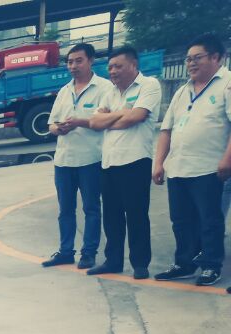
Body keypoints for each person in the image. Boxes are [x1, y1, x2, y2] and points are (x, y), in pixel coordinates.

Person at [152, 34, 231, 286]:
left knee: (210, 220)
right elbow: (166, 130)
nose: (191, 63)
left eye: (197, 58)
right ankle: (184, 263)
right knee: (181, 220)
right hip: (178, 168)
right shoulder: (182, 91)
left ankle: (210, 265)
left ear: (216, 57)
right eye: (188, 59)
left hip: (209, 167)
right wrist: (159, 163)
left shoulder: (227, 84)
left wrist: (227, 160)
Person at [88, 46, 162, 279]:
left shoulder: (149, 85)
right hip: (109, 162)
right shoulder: (110, 92)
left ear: (133, 65)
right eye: (110, 67)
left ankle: (140, 263)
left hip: (135, 160)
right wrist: (122, 114)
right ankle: (113, 261)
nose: (113, 71)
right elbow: (95, 123)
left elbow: (137, 117)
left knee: (136, 215)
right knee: (111, 216)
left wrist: (110, 119)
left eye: (118, 66)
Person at [44, 43, 112, 269]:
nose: (73, 66)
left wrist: (79, 122)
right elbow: (51, 124)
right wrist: (58, 129)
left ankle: (88, 253)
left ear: (91, 61)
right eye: (70, 62)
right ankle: (65, 251)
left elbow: (105, 121)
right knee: (65, 210)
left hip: (91, 159)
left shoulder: (104, 88)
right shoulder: (64, 91)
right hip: (64, 160)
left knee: (91, 208)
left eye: (78, 61)